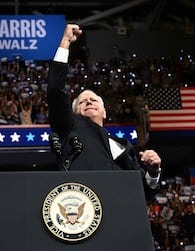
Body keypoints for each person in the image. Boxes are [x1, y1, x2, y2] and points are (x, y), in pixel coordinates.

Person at [47, 24, 162, 192]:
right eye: (82, 101)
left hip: (121, 213)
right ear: (73, 113)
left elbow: (145, 190)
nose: (88, 102)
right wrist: (65, 42)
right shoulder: (70, 128)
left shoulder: (124, 146)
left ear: (105, 111)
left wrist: (153, 172)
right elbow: (55, 90)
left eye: (93, 100)